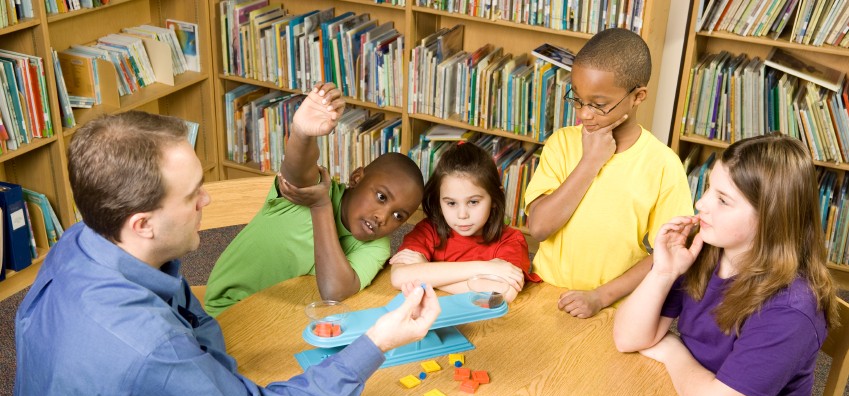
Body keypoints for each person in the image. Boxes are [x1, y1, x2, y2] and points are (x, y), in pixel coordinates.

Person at [0, 110, 440, 396]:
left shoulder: (85, 241)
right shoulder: (151, 349)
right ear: (143, 224)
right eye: (192, 195)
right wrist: (376, 343)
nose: (207, 201)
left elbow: (192, 321)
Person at [612, 133, 837, 396]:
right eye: (707, 188)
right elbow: (629, 338)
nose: (700, 205)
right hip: (691, 392)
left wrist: (674, 350)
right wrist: (662, 271)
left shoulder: (792, 309)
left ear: (770, 217)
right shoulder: (709, 248)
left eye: (722, 199)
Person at [204, 82, 425, 316]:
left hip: (276, 315)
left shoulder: (377, 246)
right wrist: (302, 133)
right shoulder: (316, 188)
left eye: (398, 216)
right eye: (381, 197)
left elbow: (335, 291)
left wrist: (321, 207)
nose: (383, 217)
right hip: (225, 310)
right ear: (356, 178)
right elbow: (297, 171)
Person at [524, 28, 693, 318]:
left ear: (638, 96)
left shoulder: (663, 165)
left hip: (612, 307)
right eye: (577, 99)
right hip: (545, 292)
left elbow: (668, 253)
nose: (583, 114)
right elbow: (538, 227)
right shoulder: (562, 144)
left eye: (598, 105)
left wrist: (601, 297)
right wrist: (590, 162)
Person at [389, 142, 540, 303]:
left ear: (494, 198)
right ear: (439, 200)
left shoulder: (511, 241)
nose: (462, 215)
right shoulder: (428, 230)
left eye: (473, 202)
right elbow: (399, 277)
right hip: (433, 312)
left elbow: (500, 295)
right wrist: (486, 268)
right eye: (451, 203)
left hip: (486, 324)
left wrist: (427, 273)